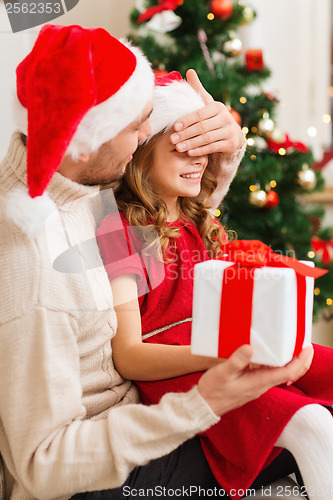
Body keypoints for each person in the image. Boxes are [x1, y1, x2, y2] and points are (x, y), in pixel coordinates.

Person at [0, 24, 314, 500]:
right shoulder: (36, 265)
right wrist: (203, 403)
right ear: (87, 137)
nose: (148, 135)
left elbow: (173, 218)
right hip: (100, 476)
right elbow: (44, 466)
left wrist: (226, 149)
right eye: (137, 125)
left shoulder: (91, 191)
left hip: (142, 415)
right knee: (304, 432)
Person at [97, 72, 333, 500]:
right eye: (185, 148)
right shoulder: (121, 230)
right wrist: (221, 355)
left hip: (232, 347)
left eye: (205, 151)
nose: (201, 161)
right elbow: (129, 356)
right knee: (309, 425)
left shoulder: (198, 219)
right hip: (183, 369)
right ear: (142, 149)